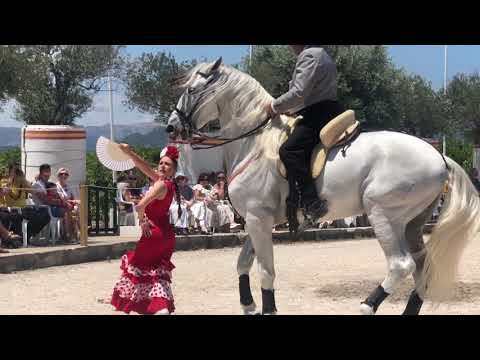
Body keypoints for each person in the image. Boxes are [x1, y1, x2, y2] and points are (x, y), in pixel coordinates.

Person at [265, 45, 344, 232]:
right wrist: (289, 109)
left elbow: (299, 92)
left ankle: (311, 202)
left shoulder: (310, 55)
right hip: (325, 109)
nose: (290, 46)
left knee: (289, 151)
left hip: (319, 114)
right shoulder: (322, 53)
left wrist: (274, 106)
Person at [110, 145, 181, 315]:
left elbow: (140, 206)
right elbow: (144, 167)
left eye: (167, 165)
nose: (162, 166)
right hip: (165, 234)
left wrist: (142, 220)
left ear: (173, 170)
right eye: (161, 163)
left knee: (139, 268)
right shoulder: (166, 183)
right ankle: (160, 306)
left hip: (153, 233)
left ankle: (153, 307)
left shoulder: (160, 185)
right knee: (155, 273)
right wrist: (129, 153)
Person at [0, 163, 50, 244]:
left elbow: (33, 191)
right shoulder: (5, 181)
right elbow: (4, 192)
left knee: (45, 216)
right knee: (15, 217)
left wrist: (24, 180)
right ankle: (21, 238)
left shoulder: (22, 181)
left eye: (18, 170)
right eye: (14, 171)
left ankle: (27, 235)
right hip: (14, 209)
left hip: (25, 208)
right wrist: (11, 179)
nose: (17, 172)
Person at [56, 168, 80, 242]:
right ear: (58, 176)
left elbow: (73, 197)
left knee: (78, 211)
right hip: (60, 207)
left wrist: (75, 205)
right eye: (61, 174)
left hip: (69, 206)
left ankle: (79, 234)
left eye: (66, 174)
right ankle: (68, 235)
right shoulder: (56, 186)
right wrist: (72, 202)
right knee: (68, 213)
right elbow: (61, 199)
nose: (64, 175)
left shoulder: (68, 186)